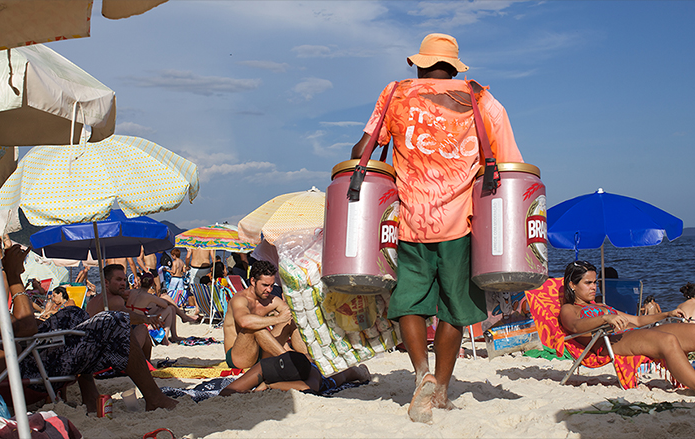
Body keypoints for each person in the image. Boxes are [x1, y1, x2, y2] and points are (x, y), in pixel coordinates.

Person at [349, 33, 523, 423]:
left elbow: (360, 152)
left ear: (419, 63)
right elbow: (509, 163)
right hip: (461, 224)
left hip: (410, 220)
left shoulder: (394, 93)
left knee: (409, 301)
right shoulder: (481, 100)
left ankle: (420, 374)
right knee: (453, 310)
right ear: (455, 66)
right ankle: (441, 391)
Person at [0, 245, 178, 412]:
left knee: (73, 314)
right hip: (23, 378)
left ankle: (90, 396)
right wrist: (14, 277)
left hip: (27, 362)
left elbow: (20, 328)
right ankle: (154, 398)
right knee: (114, 320)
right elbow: (25, 327)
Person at [559, 260, 695, 395]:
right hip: (609, 343)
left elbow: (637, 321)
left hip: (632, 333)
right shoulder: (569, 309)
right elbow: (575, 326)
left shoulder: (601, 306)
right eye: (588, 283)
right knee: (667, 340)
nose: (594, 287)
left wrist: (667, 314)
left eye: (595, 282)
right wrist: (605, 319)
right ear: (572, 285)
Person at [223, 261, 308, 371]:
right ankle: (288, 360)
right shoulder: (240, 299)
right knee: (253, 327)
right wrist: (277, 318)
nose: (269, 289)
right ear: (253, 281)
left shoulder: (270, 299)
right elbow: (244, 322)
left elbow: (290, 313)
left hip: (261, 351)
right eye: (265, 285)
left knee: (290, 320)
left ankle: (307, 358)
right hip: (239, 356)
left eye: (272, 285)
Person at [219, 351, 370, 396]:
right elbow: (227, 392)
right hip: (298, 360)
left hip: (315, 371)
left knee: (343, 375)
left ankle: (360, 371)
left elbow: (310, 388)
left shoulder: (313, 374)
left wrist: (270, 385)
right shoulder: (264, 366)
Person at [123, 272, 198, 345]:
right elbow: (165, 305)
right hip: (142, 325)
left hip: (130, 322)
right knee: (169, 308)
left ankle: (175, 335)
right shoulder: (150, 297)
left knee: (170, 305)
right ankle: (166, 338)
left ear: (140, 282)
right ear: (152, 284)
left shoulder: (130, 292)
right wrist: (159, 301)